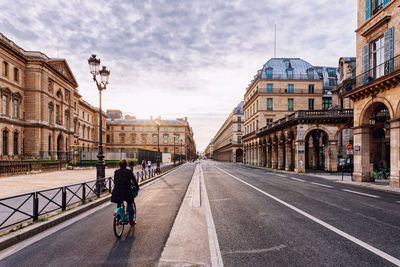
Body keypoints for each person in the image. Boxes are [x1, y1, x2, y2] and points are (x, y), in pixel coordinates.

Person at [111, 159, 139, 225]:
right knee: (130, 204)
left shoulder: (116, 172)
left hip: (117, 191)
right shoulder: (129, 171)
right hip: (127, 192)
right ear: (126, 165)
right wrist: (137, 187)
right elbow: (134, 181)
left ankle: (118, 218)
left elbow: (115, 182)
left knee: (119, 203)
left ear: (119, 165)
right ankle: (131, 221)